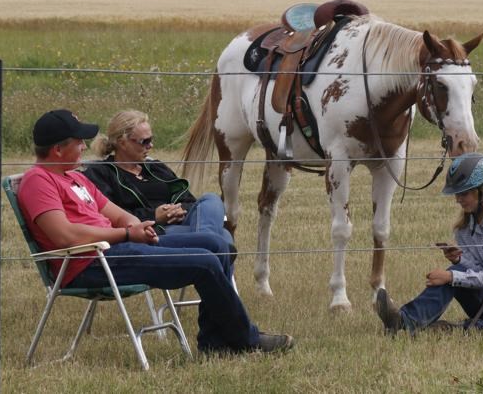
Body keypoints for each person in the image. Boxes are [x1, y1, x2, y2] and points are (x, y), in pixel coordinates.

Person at [18, 109, 294, 354]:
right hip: (90, 263)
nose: (84, 146)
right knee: (206, 262)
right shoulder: (38, 181)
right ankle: (246, 339)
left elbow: (116, 213)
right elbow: (64, 236)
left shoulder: (74, 177)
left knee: (217, 243)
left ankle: (215, 342)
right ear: (57, 149)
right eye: (78, 141)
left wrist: (137, 226)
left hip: (118, 250)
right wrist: (127, 234)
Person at [376, 152, 483, 338]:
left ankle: (462, 330)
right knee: (454, 272)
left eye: (464, 193)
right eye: (457, 194)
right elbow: (479, 271)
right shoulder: (463, 230)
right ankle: (403, 320)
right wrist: (461, 259)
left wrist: (451, 276)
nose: (458, 199)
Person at [83, 109, 232, 245]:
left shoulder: (155, 167)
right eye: (145, 141)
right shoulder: (101, 173)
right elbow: (110, 217)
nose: (151, 145)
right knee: (224, 237)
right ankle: (210, 244)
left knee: (211, 199)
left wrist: (176, 210)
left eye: (151, 139)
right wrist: (155, 215)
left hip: (182, 222)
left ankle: (206, 242)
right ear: (122, 143)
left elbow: (188, 200)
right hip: (153, 231)